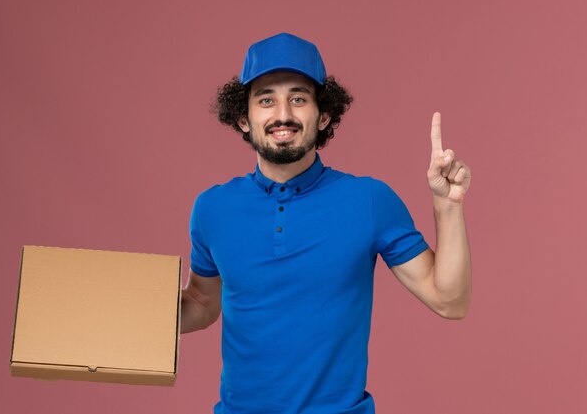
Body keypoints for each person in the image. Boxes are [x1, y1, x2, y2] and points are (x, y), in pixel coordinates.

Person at [180, 33, 472, 414]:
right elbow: (201, 302)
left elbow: (450, 301)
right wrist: (129, 315)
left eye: (298, 98)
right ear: (243, 119)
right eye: (266, 99)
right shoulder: (212, 208)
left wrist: (447, 207)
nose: (282, 114)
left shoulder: (369, 200)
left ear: (324, 116)